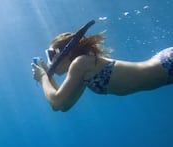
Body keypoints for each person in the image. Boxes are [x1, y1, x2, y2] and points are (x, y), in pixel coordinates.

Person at [32, 20, 173, 112]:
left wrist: (43, 77)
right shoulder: (81, 72)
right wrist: (46, 78)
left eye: (51, 55)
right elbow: (63, 105)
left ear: (65, 53)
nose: (50, 62)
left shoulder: (80, 63)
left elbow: (58, 101)